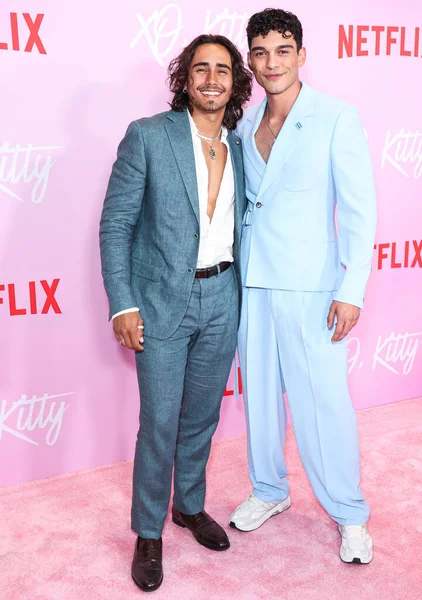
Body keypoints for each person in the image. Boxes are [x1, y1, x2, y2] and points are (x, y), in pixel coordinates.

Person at [100, 34, 251, 591]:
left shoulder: (242, 146)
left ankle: (189, 506)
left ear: (236, 82)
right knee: (159, 423)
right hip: (162, 300)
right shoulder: (147, 137)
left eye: (222, 70)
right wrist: (124, 302)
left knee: (202, 418)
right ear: (184, 78)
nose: (211, 79)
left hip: (224, 297)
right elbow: (116, 224)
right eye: (200, 68)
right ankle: (148, 530)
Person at [229, 9, 377, 564]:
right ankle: (269, 490)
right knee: (260, 397)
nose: (272, 63)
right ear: (251, 59)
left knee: (323, 403)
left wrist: (352, 288)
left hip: (313, 285)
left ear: (301, 55)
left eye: (282, 50)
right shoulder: (244, 124)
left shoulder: (336, 116)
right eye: (261, 52)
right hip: (253, 282)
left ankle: (350, 512)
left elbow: (361, 211)